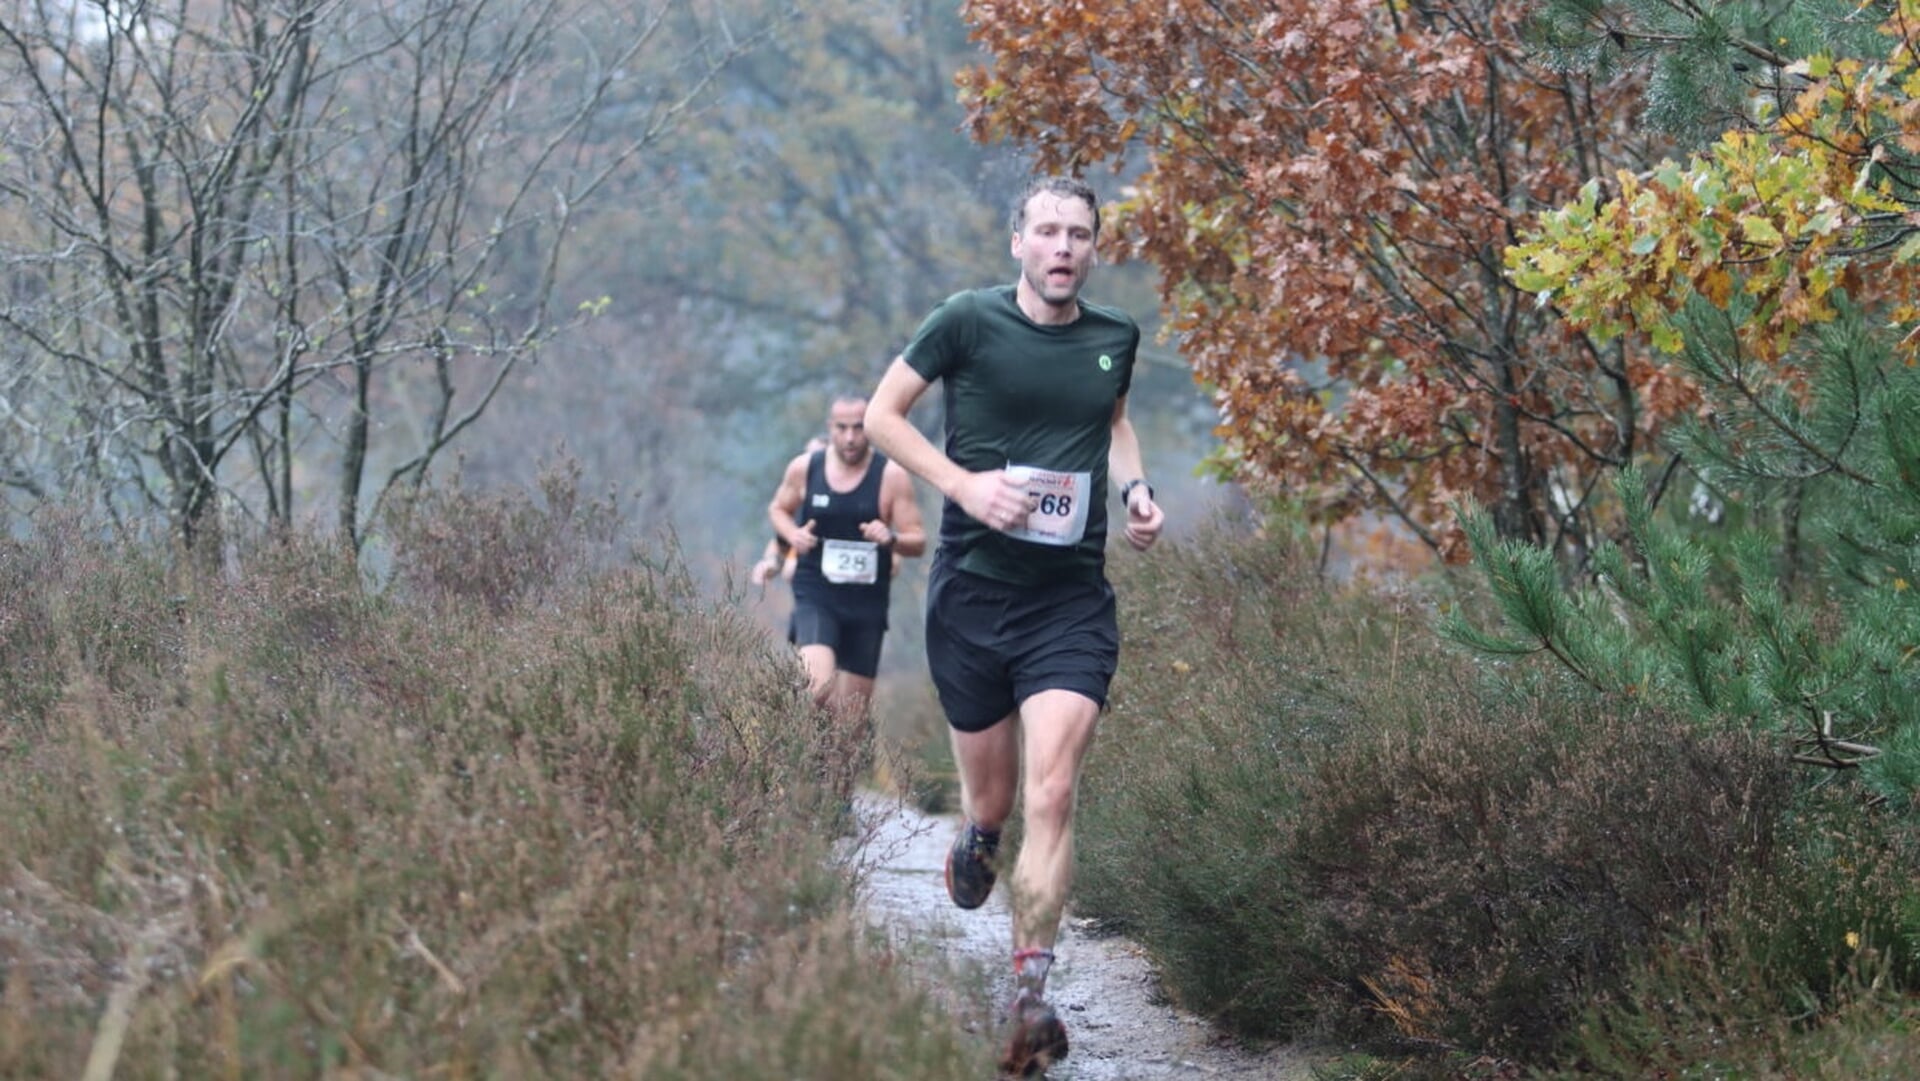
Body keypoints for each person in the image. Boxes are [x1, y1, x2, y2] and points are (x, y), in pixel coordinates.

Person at [862, 175, 1164, 1076]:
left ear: (1094, 248)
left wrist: (1136, 489)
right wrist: (962, 485)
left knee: (1054, 792)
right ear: (1018, 243)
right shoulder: (966, 320)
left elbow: (1112, 425)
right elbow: (882, 416)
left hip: (1068, 600)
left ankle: (1029, 991)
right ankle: (979, 836)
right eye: (1047, 231)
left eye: (1079, 233)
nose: (1063, 246)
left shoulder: (1115, 339)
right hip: (971, 595)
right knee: (994, 803)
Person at [766, 396, 926, 766]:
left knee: (851, 716)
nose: (851, 437)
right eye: (842, 427)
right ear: (830, 428)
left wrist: (892, 538)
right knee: (817, 686)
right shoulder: (805, 468)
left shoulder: (891, 476)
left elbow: (917, 539)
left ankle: (837, 799)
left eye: (859, 427)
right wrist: (792, 534)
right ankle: (804, 768)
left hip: (867, 603)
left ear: (870, 428)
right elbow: (778, 509)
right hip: (816, 592)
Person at [751, 438, 829, 587]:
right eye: (807, 458)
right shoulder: (801, 505)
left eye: (818, 458)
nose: (811, 465)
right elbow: (782, 543)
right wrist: (770, 564)